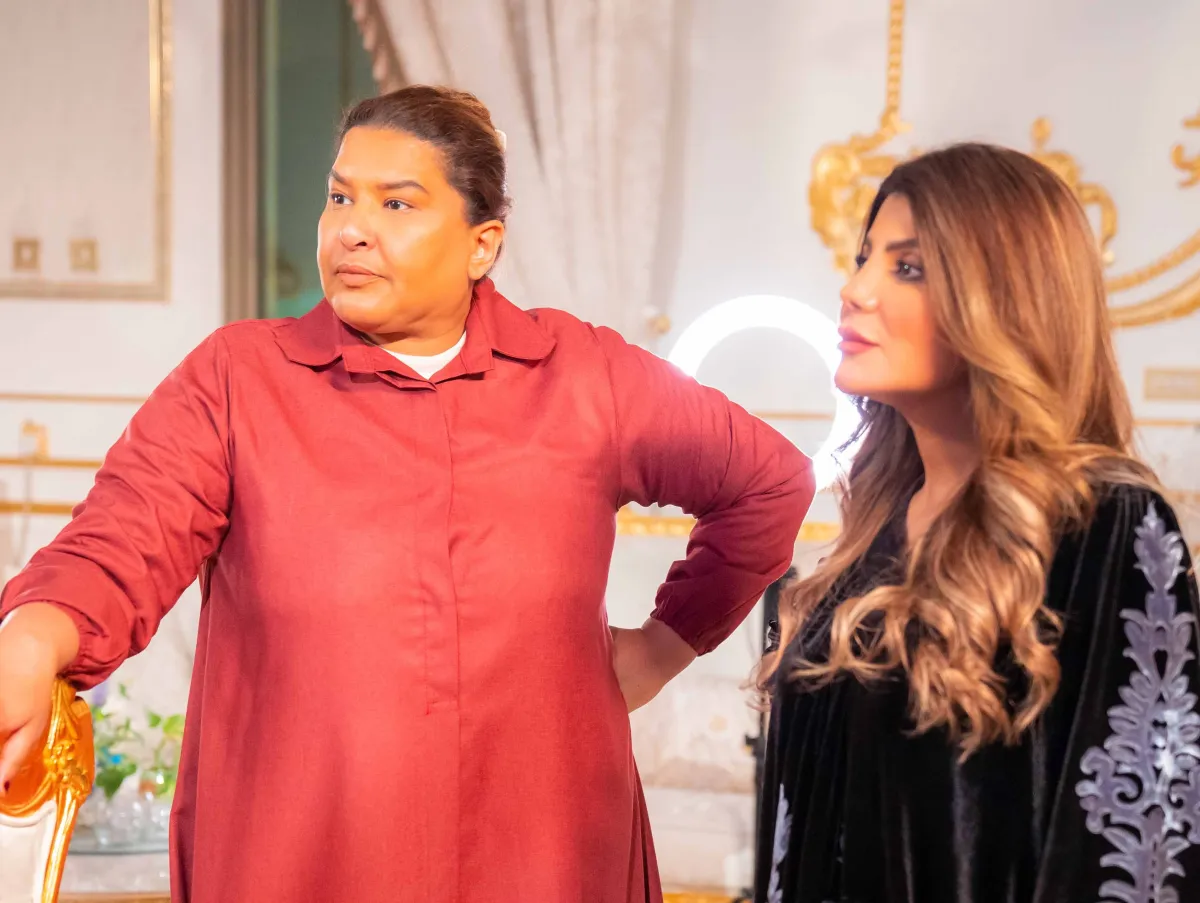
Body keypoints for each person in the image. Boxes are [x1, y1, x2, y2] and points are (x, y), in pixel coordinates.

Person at [0, 85, 814, 903]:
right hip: (301, 857)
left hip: (545, 852)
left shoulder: (584, 376)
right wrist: (35, 634)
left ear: (481, 245)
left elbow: (768, 481)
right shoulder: (239, 379)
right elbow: (123, 536)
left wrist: (667, 644)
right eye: (339, 197)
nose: (352, 229)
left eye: (396, 203)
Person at [753, 143, 1200, 903]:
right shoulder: (874, 535)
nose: (854, 289)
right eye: (864, 258)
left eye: (908, 267)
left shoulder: (1102, 524)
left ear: (1003, 302)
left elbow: (1140, 850)